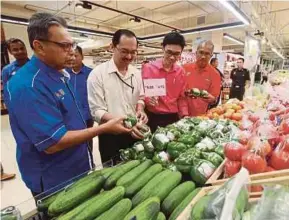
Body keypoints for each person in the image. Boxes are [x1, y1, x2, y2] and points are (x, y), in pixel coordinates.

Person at [4, 13, 130, 196]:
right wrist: (104, 128)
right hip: (54, 178)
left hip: (77, 166)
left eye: (72, 44)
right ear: (39, 46)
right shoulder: (28, 86)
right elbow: (53, 143)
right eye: (64, 46)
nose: (72, 51)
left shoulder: (60, 74)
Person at [88, 29, 148, 163]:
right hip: (110, 134)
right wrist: (123, 122)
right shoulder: (97, 75)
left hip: (135, 132)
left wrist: (140, 109)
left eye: (133, 52)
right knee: (113, 173)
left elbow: (141, 97)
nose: (129, 56)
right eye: (124, 51)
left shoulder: (136, 73)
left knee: (137, 169)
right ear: (112, 47)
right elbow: (96, 110)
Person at [142, 32, 188, 132]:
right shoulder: (148, 68)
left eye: (176, 54)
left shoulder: (181, 72)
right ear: (163, 49)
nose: (172, 57)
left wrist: (185, 115)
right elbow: (140, 93)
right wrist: (147, 100)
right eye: (169, 52)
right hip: (152, 117)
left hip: (173, 118)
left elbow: (181, 98)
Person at [66, 46, 94, 151]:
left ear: (82, 57)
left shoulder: (91, 73)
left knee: (87, 139)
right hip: (70, 115)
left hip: (87, 115)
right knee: (73, 142)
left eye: (75, 55)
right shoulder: (64, 74)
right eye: (70, 55)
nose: (73, 58)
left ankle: (89, 161)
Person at [183, 40, 221, 116]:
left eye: (207, 54)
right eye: (201, 52)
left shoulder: (215, 74)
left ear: (211, 55)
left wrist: (213, 100)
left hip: (200, 116)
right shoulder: (184, 68)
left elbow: (214, 99)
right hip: (181, 113)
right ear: (196, 53)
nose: (203, 56)